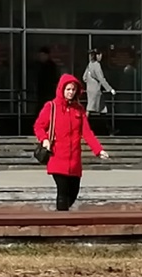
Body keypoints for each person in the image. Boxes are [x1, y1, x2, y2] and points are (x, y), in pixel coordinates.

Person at [34, 74, 110, 211]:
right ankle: (61, 223)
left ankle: (61, 215)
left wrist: (98, 150)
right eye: (68, 89)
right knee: (62, 193)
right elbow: (38, 126)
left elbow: (87, 133)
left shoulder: (79, 109)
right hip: (57, 156)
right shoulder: (51, 107)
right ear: (61, 89)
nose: (70, 92)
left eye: (73, 90)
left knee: (73, 193)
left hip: (74, 160)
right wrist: (44, 139)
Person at [83, 49, 116, 115]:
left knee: (95, 107)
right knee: (94, 108)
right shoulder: (97, 65)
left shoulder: (90, 64)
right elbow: (101, 78)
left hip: (89, 89)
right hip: (96, 90)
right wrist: (110, 89)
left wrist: (90, 82)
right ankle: (87, 123)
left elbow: (84, 78)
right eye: (99, 55)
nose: (101, 56)